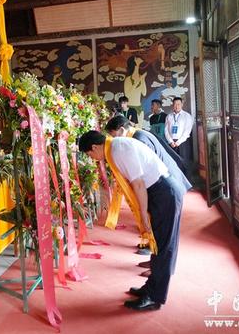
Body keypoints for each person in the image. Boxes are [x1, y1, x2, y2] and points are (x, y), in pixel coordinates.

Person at [78, 130, 184, 311]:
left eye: (90, 154)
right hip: (159, 190)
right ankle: (151, 288)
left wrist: (143, 215)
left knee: (162, 245)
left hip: (163, 191)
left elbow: (139, 184)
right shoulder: (115, 147)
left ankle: (154, 296)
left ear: (95, 147)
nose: (93, 158)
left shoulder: (118, 150)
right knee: (158, 244)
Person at [164, 97, 193, 171]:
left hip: (183, 143)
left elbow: (187, 131)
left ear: (182, 105)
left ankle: (185, 181)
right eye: (175, 104)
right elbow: (166, 130)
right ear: (172, 105)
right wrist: (170, 141)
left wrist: (178, 142)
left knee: (184, 164)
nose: (176, 106)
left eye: (178, 104)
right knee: (172, 163)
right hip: (171, 143)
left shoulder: (187, 116)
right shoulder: (169, 116)